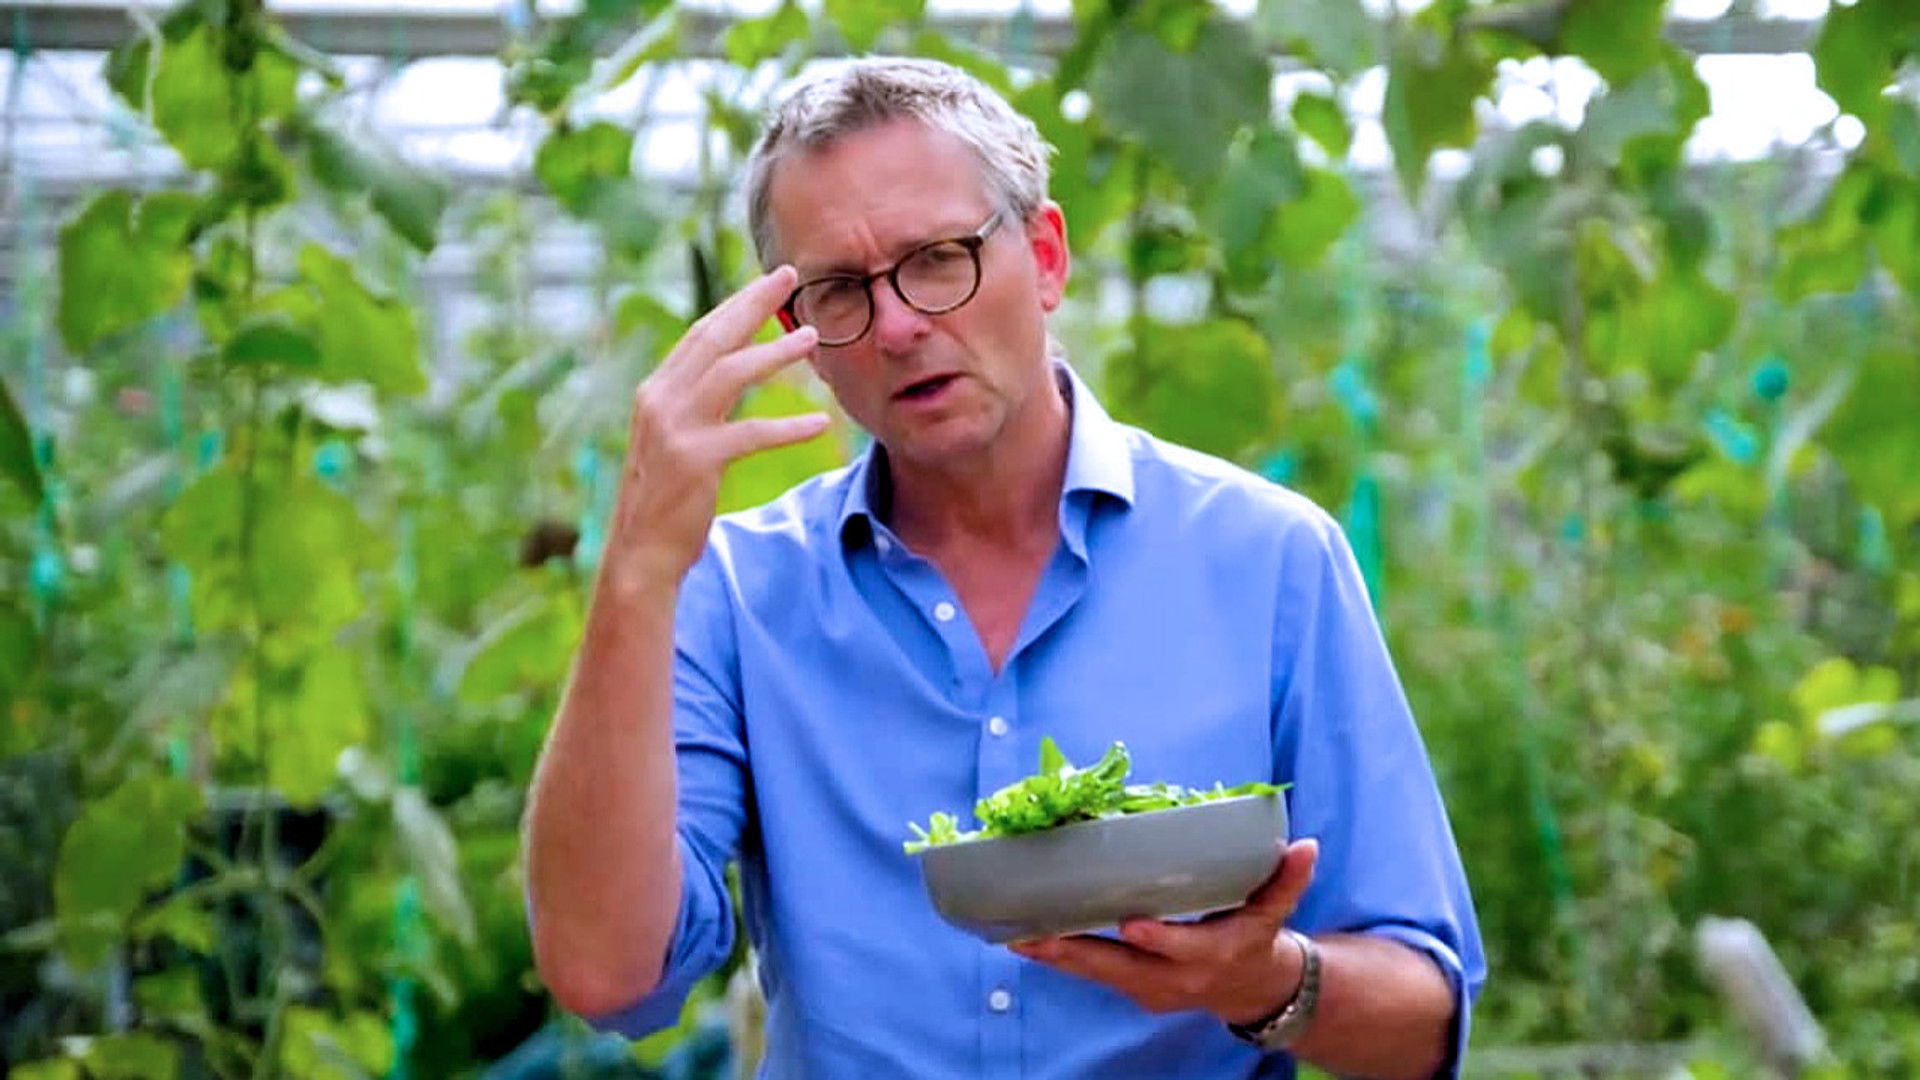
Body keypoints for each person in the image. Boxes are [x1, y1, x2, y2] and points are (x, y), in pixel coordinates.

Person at [522, 56, 1486, 1080]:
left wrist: (1263, 980)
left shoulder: (1269, 560)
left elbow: (1422, 1025)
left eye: (939, 259)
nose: (899, 327)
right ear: (799, 335)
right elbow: (605, 974)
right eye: (839, 291)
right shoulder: (737, 592)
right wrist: (636, 570)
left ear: (1047, 256)